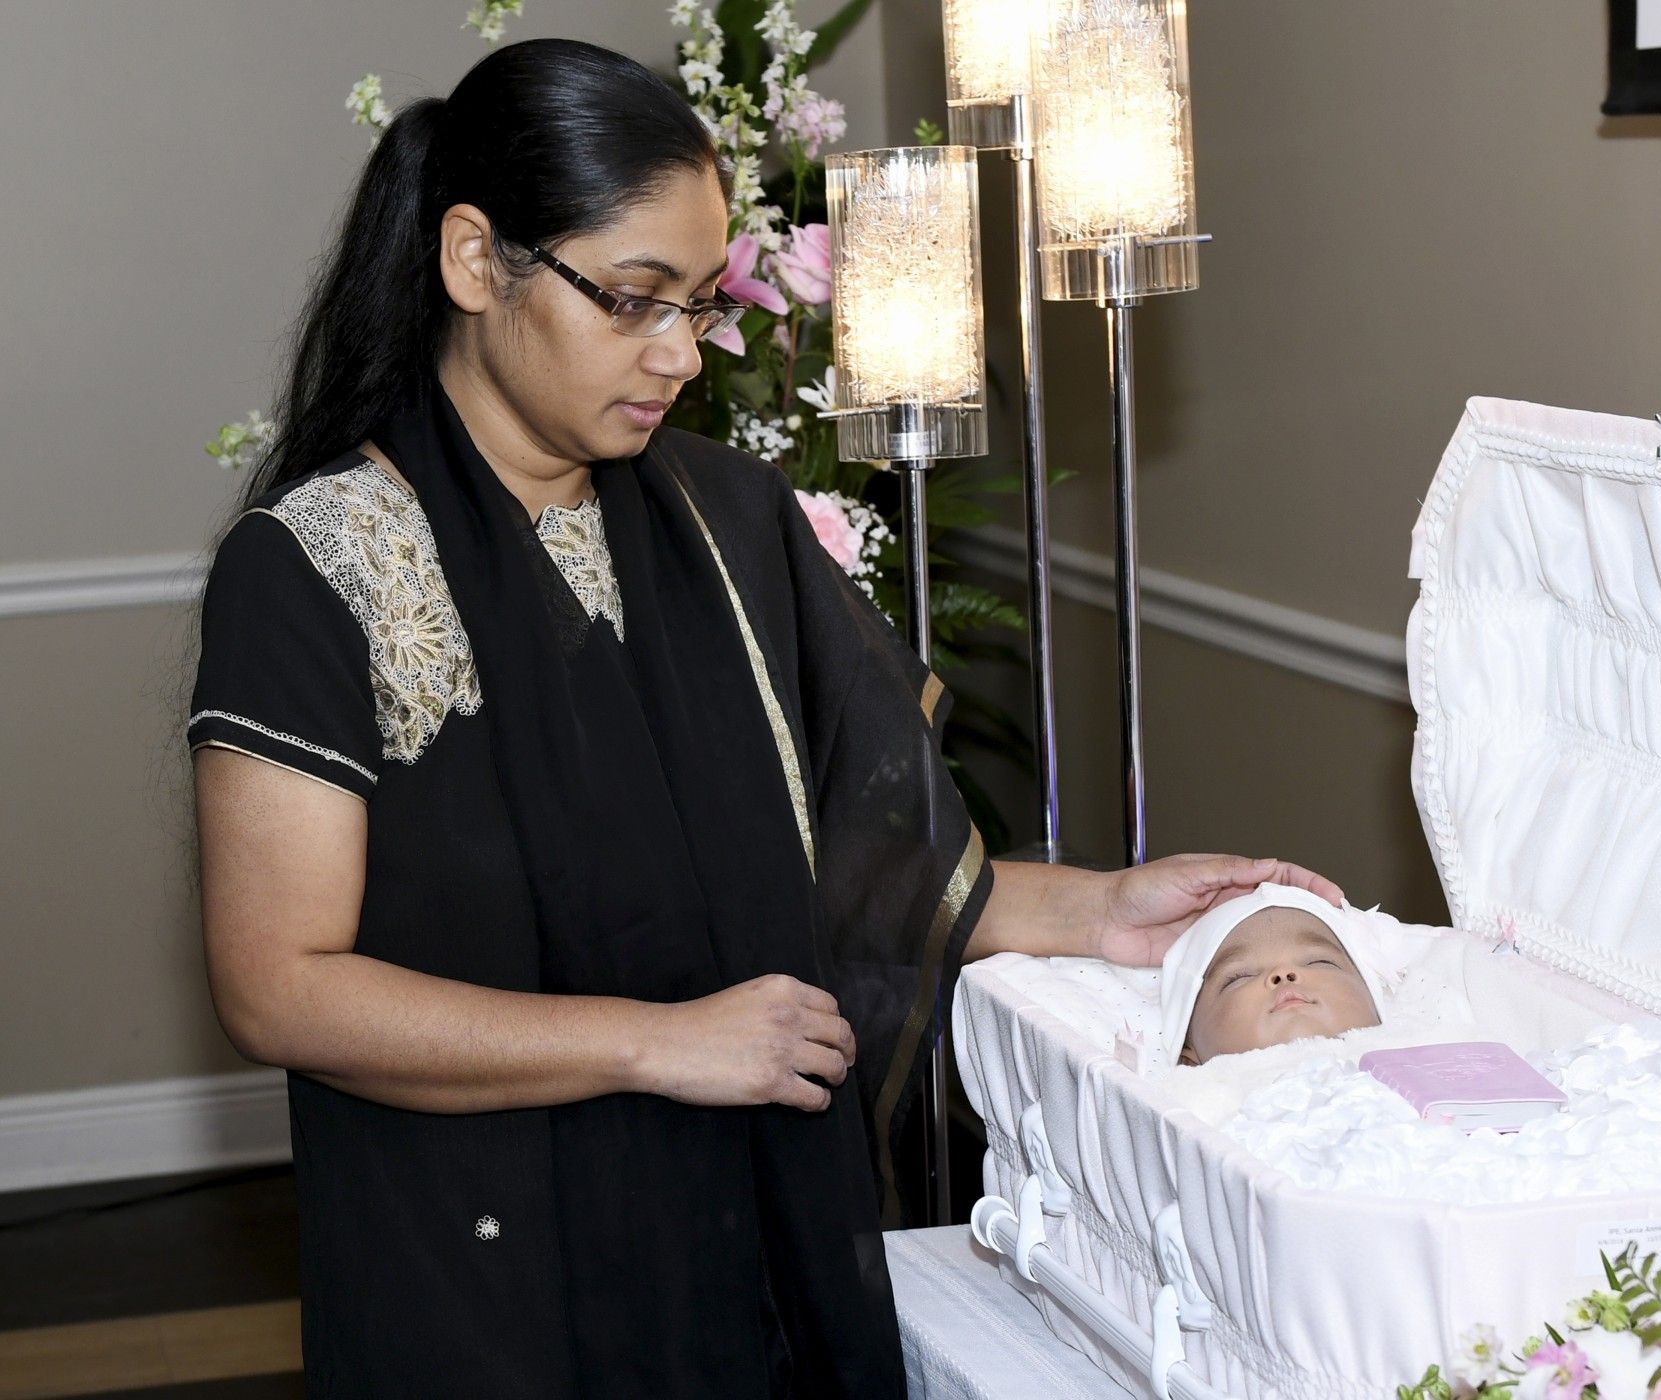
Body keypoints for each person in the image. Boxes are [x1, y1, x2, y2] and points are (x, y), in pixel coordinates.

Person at [186, 37, 1343, 1398]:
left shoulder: (725, 520)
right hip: (480, 1266)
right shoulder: (318, 567)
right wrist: (660, 1041)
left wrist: (1099, 912)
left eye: (700, 303)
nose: (678, 353)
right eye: (633, 300)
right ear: (474, 260)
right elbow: (279, 984)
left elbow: (857, 865)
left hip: (741, 1238)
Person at [1160, 882, 1390, 1066]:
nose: (1283, 972)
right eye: (1239, 977)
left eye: (1318, 962)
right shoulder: (1188, 1106)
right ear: (1189, 1060)